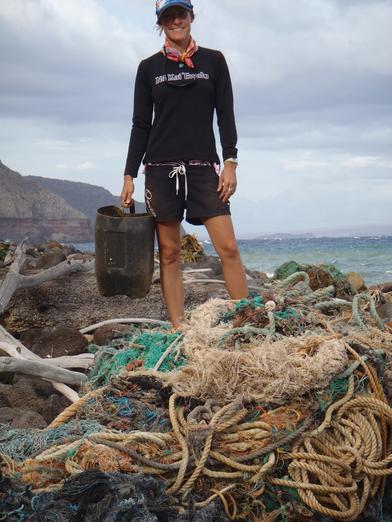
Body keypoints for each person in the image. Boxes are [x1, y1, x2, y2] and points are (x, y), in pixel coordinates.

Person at [121, 0, 248, 328]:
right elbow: (140, 124)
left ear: (191, 16)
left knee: (229, 248)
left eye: (181, 14)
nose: (176, 20)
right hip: (162, 171)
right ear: (160, 22)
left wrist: (231, 161)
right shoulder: (148, 68)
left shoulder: (214, 61)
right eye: (168, 16)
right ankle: (178, 326)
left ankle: (246, 321)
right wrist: (129, 174)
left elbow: (226, 114)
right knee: (170, 252)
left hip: (204, 168)